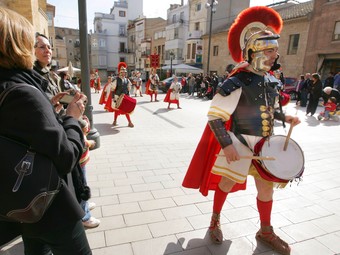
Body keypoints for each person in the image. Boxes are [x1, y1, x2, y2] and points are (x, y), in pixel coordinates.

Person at [182, 6, 300, 255]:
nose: (274, 56)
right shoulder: (236, 81)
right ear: (254, 51)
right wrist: (226, 145)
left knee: (266, 188)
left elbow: (269, 110)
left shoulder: (272, 81)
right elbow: (215, 117)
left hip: (266, 145)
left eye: (275, 51)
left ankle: (265, 230)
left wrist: (284, 116)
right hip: (239, 143)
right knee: (225, 183)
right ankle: (215, 220)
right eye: (269, 50)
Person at [0, 7, 92, 254]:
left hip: (18, 198)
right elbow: (66, 156)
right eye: (31, 43)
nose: (36, 50)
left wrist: (49, 110)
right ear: (16, 45)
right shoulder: (22, 91)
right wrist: (72, 118)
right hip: (48, 202)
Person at [78, 116, 100, 228]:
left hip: (81, 160)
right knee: (81, 187)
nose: (82, 105)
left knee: (83, 184)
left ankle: (84, 205)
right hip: (77, 160)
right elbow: (78, 141)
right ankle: (84, 216)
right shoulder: (70, 118)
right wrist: (89, 143)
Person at [105, 62, 135, 127]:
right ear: (120, 72)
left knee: (126, 110)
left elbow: (129, 89)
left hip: (125, 97)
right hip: (117, 97)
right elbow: (112, 89)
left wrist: (129, 96)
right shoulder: (116, 80)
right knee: (117, 110)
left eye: (125, 72)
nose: (124, 74)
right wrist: (113, 98)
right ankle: (115, 121)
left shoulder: (127, 80)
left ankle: (129, 122)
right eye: (123, 72)